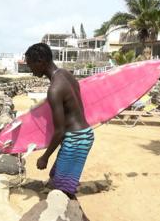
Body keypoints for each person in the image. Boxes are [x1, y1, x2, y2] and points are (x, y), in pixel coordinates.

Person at [25, 43, 94, 220]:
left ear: (40, 61)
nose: (30, 70)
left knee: (62, 191)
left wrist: (44, 157)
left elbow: (60, 131)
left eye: (30, 64)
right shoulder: (65, 74)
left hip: (76, 140)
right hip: (83, 134)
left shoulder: (54, 89)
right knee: (57, 179)